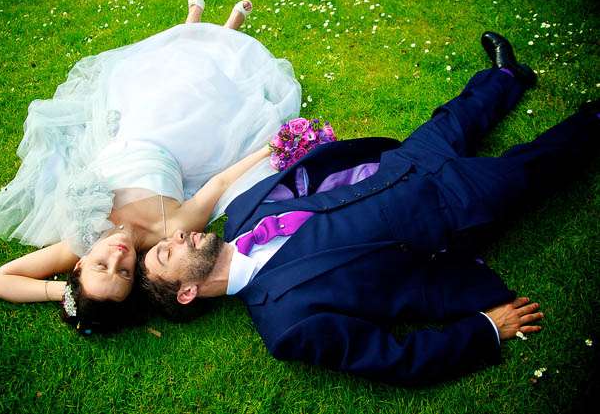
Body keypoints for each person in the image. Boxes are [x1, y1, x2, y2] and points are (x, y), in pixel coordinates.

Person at [137, 32, 600, 384]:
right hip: (447, 216)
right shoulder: (287, 323)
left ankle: (506, 76)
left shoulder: (241, 213)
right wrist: (485, 330)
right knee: (533, 166)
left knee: (454, 119)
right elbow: (394, 360)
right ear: (186, 293)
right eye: (166, 254)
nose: (176, 237)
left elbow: (311, 184)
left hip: (398, 169)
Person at [0, 0, 301, 332]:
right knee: (196, 88)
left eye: (101, 265)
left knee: (151, 81)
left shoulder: (80, 239)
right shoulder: (170, 231)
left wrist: (69, 293)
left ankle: (192, 26)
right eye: (123, 271)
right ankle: (226, 32)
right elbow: (220, 183)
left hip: (124, 131)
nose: (117, 255)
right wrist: (269, 149)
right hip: (178, 140)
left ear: (79, 266)